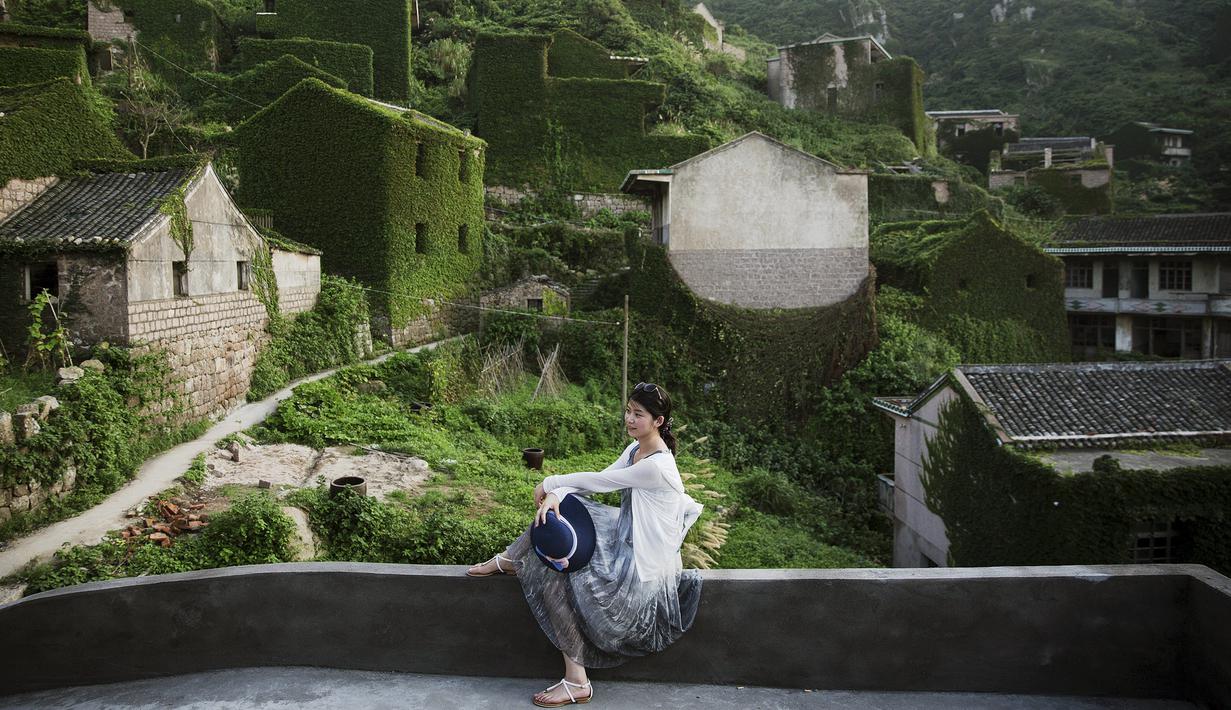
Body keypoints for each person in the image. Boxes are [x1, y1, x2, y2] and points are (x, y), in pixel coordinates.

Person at [467, 382, 704, 707]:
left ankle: (576, 682)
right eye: (628, 411)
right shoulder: (636, 449)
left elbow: (600, 483)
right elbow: (595, 480)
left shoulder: (657, 466)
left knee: (553, 585)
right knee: (560, 510)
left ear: (658, 422)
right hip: (623, 541)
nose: (629, 419)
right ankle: (510, 559)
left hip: (637, 569)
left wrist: (551, 483)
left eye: (638, 415)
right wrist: (555, 494)